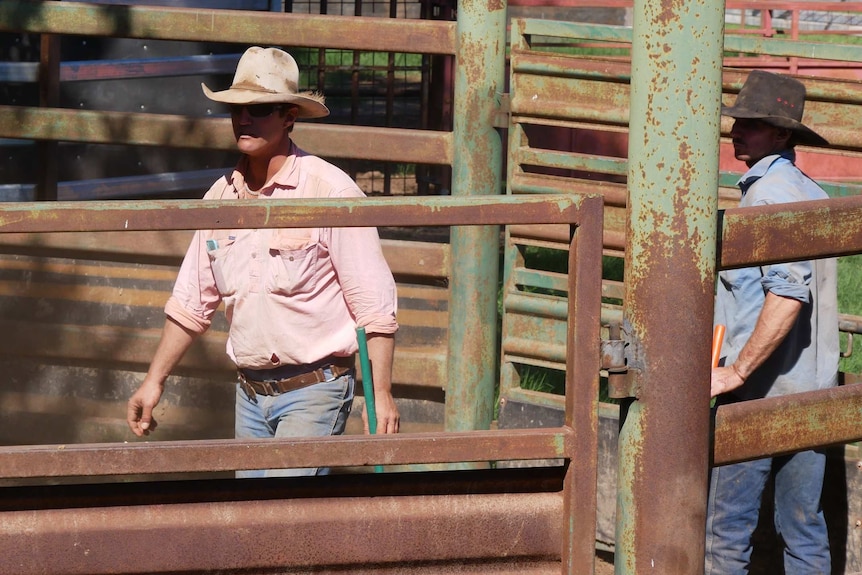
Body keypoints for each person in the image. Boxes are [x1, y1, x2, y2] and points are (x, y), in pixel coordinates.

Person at [126, 46, 400, 477]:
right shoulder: (220, 198)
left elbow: (374, 304)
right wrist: (154, 379)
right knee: (257, 520)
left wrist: (379, 393)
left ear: (289, 116)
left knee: (279, 517)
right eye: (238, 109)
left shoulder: (329, 193)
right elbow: (193, 301)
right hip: (250, 395)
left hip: (315, 389)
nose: (244, 119)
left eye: (260, 108)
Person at [705, 70, 838, 574]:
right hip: (811, 393)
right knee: (804, 529)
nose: (737, 130)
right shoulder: (809, 189)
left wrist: (736, 372)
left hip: (760, 394)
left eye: (753, 123)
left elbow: (786, 293)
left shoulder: (767, 196)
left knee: (726, 532)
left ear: (781, 134)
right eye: (738, 121)